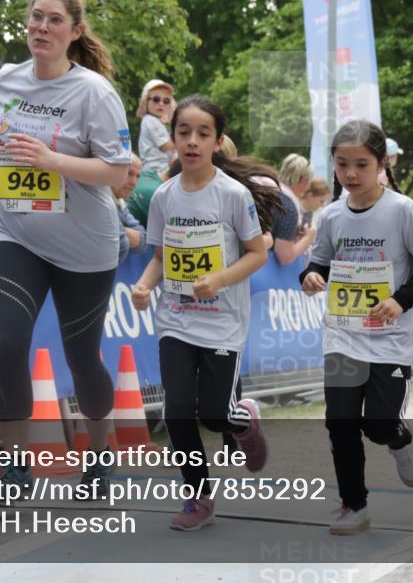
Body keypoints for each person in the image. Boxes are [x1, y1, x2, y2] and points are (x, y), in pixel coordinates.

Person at [0, 0, 132, 503]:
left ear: (75, 31)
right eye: (36, 16)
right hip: (17, 232)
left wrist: (52, 160)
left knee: (82, 358)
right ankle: (16, 469)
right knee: (9, 344)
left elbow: (116, 171)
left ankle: (98, 457)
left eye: (55, 20)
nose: (42, 27)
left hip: (85, 244)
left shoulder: (94, 93)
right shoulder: (7, 79)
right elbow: (4, 139)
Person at [131, 95, 281, 532]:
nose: (192, 141)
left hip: (222, 321)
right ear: (173, 138)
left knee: (215, 415)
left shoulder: (233, 195)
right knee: (178, 410)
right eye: (184, 132)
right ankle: (198, 496)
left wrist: (219, 280)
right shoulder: (163, 196)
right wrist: (145, 285)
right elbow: (161, 257)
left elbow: (257, 254)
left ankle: (242, 420)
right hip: (176, 319)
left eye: (203, 133)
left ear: (217, 141)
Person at [299, 120, 413, 535]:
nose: (351, 173)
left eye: (361, 164)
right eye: (342, 164)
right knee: (340, 420)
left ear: (381, 164)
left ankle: (398, 438)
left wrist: (400, 300)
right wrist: (310, 276)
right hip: (343, 334)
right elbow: (319, 261)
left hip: (390, 338)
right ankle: (354, 505)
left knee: (378, 424)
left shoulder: (401, 209)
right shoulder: (330, 215)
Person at [136, 79, 175, 178]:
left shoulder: (156, 121)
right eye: (156, 99)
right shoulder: (151, 121)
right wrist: (181, 136)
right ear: (145, 102)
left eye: (166, 101)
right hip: (155, 172)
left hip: (159, 170)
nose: (161, 104)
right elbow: (165, 146)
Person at [113, 154, 147, 265]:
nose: (134, 183)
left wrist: (117, 230)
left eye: (137, 176)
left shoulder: (120, 201)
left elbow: (143, 241)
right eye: (129, 173)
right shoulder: (100, 200)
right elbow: (121, 249)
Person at [278, 153, 313, 228]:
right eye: (309, 180)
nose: (309, 186)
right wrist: (308, 235)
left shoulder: (275, 191)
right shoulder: (289, 206)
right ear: (303, 180)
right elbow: (284, 235)